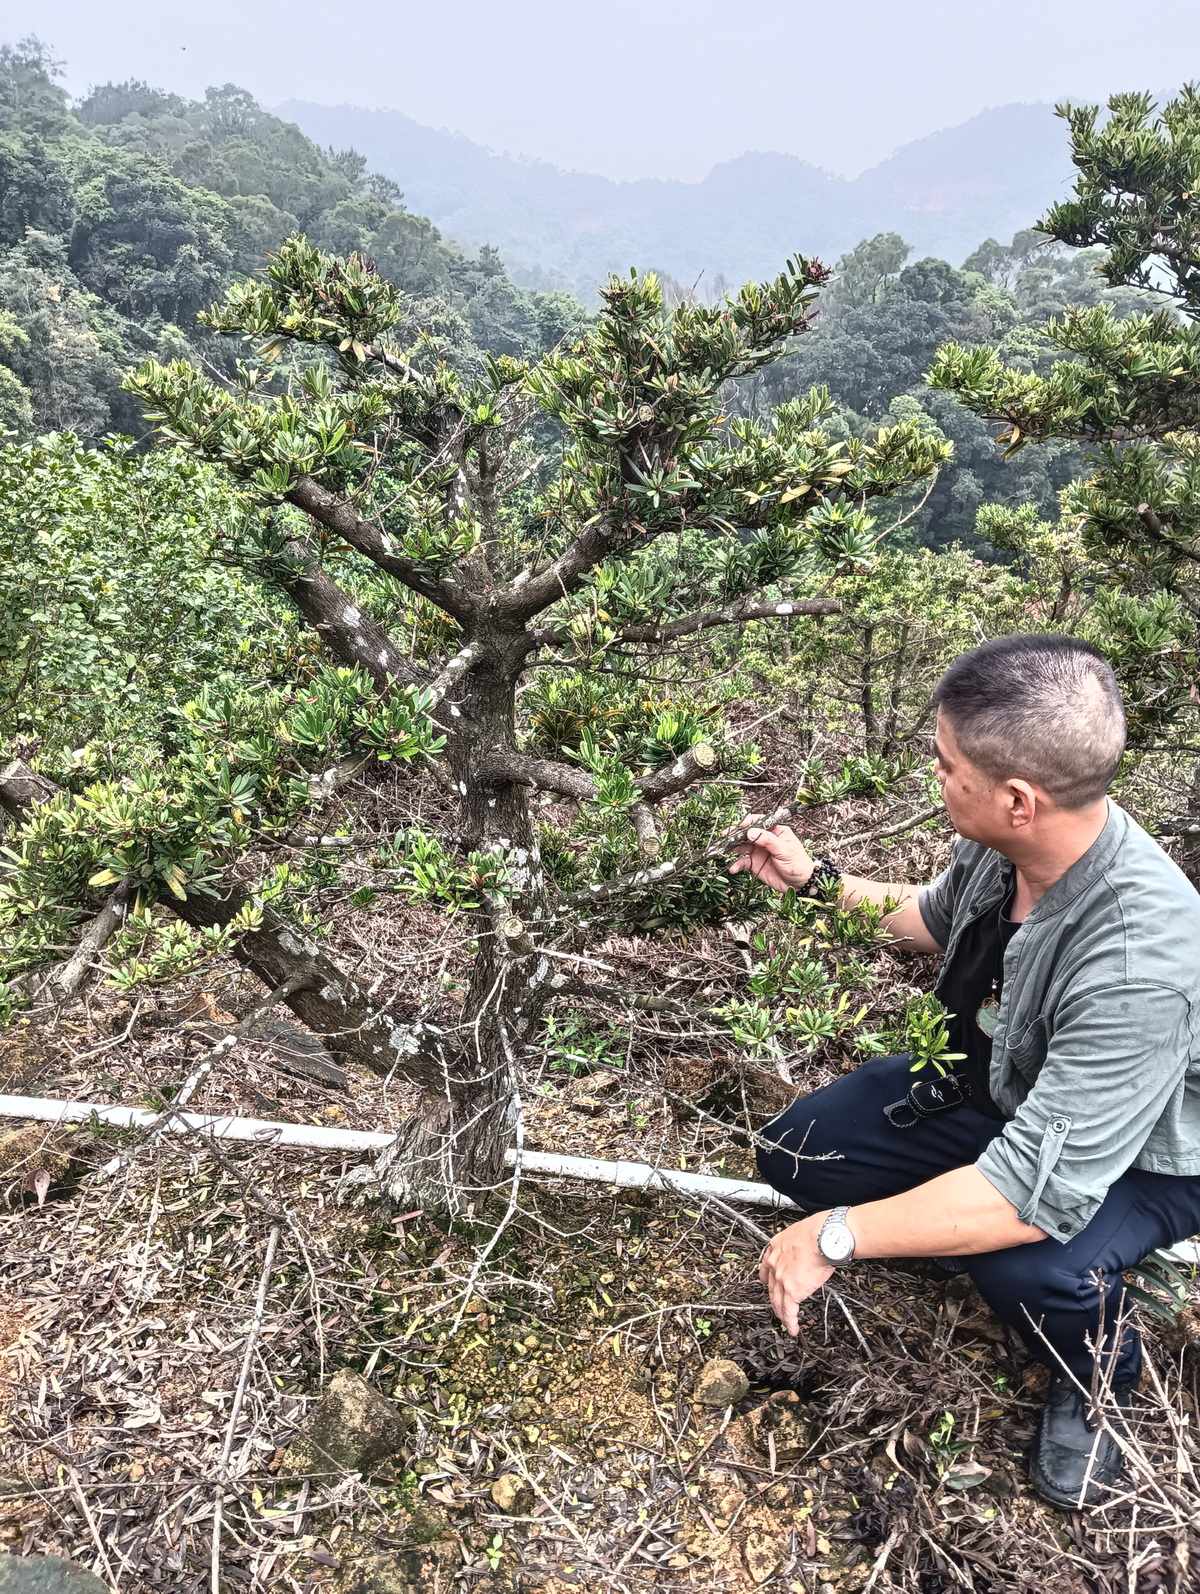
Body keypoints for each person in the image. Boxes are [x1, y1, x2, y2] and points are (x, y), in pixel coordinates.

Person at [731, 633, 1200, 1509]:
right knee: (802, 1152)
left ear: (1018, 798)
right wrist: (813, 879)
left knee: (1026, 1265)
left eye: (946, 766)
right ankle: (953, 1220)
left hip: (1149, 1153)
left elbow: (1033, 1190)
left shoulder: (1140, 960)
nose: (935, 779)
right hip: (1012, 1089)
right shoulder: (1014, 847)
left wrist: (840, 1236)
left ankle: (1103, 1377)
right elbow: (932, 917)